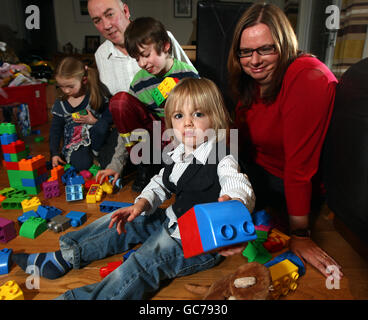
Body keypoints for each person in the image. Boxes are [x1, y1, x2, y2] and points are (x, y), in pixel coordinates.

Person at [12, 78, 255, 300]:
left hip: (196, 244)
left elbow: (236, 181)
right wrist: (141, 203)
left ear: (216, 118)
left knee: (142, 263)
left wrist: (234, 202)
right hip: (172, 219)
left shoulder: (223, 155)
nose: (188, 123)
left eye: (198, 114)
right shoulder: (178, 153)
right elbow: (160, 182)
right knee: (121, 219)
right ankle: (65, 256)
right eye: (179, 116)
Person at [227, 3, 343, 279]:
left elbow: (299, 168)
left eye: (265, 49)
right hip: (256, 170)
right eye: (246, 52)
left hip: (289, 185)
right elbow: (240, 139)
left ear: (284, 44)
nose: (254, 61)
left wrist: (300, 234)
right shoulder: (253, 81)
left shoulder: (307, 77)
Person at [87, 0, 195, 190]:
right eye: (137, 58)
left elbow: (203, 104)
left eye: (110, 14)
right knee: (118, 103)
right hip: (145, 131)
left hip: (181, 130)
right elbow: (122, 120)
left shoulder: (183, 69)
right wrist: (116, 164)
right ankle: (147, 164)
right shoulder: (135, 78)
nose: (143, 63)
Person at [49, 56, 112, 172]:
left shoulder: (95, 94)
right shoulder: (61, 104)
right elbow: (55, 131)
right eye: (62, 86)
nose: (66, 91)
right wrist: (54, 153)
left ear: (84, 80)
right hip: (76, 144)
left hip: (97, 141)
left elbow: (109, 118)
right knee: (81, 164)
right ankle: (92, 159)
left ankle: (96, 155)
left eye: (70, 86)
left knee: (102, 126)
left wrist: (94, 121)